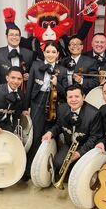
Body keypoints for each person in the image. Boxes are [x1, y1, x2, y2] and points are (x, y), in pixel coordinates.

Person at [24, 41, 68, 180]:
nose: (50, 54)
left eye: (53, 52)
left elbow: (66, 92)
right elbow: (29, 86)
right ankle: (30, 168)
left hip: (54, 105)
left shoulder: (63, 70)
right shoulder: (36, 66)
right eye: (48, 51)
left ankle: (47, 170)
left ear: (58, 54)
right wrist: (26, 107)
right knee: (36, 135)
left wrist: (57, 84)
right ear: (44, 53)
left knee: (51, 134)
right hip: (37, 103)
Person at [42, 84, 102, 178]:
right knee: (58, 163)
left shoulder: (94, 113)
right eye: (70, 97)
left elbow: (94, 137)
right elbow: (59, 125)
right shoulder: (61, 108)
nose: (73, 100)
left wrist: (79, 153)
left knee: (82, 169)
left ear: (83, 97)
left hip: (85, 146)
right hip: (69, 144)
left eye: (77, 96)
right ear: (66, 98)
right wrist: (51, 132)